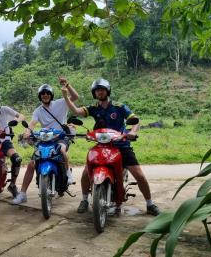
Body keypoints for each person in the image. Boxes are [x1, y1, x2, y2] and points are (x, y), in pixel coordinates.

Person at [62, 78, 160, 216]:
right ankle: (84, 200)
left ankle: (150, 204)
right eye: (97, 90)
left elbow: (135, 119)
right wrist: (66, 97)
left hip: (121, 145)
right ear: (94, 93)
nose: (100, 92)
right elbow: (77, 111)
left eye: (102, 90)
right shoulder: (93, 108)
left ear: (107, 91)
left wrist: (132, 132)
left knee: (139, 174)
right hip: (102, 145)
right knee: (86, 172)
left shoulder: (119, 107)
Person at [12, 77, 79, 205]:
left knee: (62, 150)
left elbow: (75, 97)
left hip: (60, 137)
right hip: (45, 139)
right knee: (32, 163)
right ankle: (23, 194)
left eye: (48, 93)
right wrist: (27, 132)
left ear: (51, 95)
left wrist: (67, 85)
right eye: (43, 94)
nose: (45, 95)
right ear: (40, 96)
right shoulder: (38, 110)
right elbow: (32, 123)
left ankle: (68, 175)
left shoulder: (61, 103)